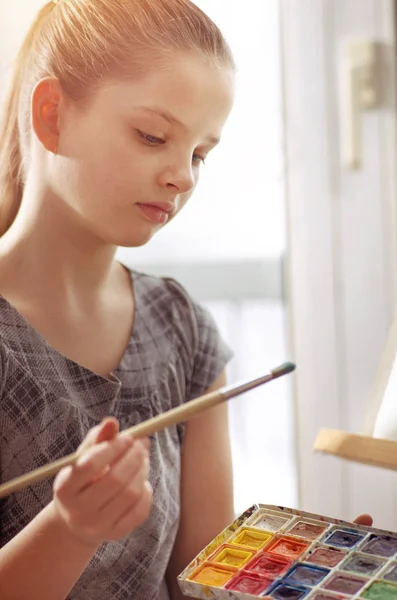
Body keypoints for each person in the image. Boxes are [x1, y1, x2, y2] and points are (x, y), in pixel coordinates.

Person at [0, 1, 373, 598]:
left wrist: (295, 582)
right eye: (153, 136)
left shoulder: (183, 331)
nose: (184, 176)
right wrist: (70, 530)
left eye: (200, 154)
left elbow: (196, 582)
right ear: (53, 115)